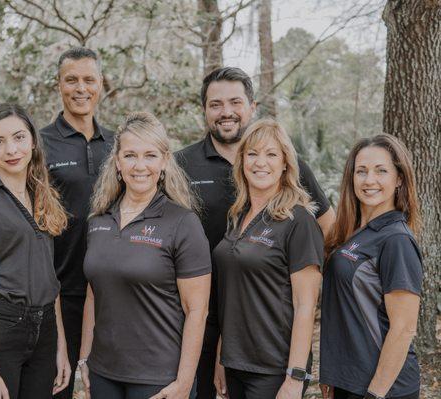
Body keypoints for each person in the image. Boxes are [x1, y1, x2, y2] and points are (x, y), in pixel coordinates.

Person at [175, 66, 334, 399]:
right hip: (212, 332)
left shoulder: (298, 216)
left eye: (235, 102)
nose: (226, 111)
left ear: (251, 105)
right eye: (215, 104)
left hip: (271, 342)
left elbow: (327, 233)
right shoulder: (234, 211)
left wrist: (297, 373)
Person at [78, 112, 211, 399]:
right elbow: (93, 294)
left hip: (159, 379)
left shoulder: (182, 223)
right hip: (104, 374)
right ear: (117, 161)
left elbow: (197, 311)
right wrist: (84, 359)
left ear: (164, 162)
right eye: (130, 155)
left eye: (150, 155)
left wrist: (184, 383)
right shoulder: (98, 220)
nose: (140, 166)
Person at [0, 104, 70, 399]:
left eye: (19, 137)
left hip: (45, 331)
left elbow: (51, 279)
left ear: (33, 141)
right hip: (2, 330)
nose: (11, 149)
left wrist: (60, 345)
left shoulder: (44, 198)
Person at [212, 119, 323, 399]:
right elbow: (233, 291)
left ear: (286, 163)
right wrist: (221, 358)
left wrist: (295, 377)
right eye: (252, 153)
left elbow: (305, 305)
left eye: (271, 154)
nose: (260, 162)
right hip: (235, 362)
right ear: (241, 161)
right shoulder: (237, 216)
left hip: (273, 368)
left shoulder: (299, 221)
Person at [320, 134, 423, 399]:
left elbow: (404, 328)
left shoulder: (396, 239)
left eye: (381, 171)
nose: (369, 181)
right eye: (361, 171)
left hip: (383, 389)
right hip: (349, 381)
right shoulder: (354, 233)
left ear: (399, 178)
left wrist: (375, 394)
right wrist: (332, 375)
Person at [40, 47, 115, 399]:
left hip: (114, 292)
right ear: (58, 85)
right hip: (59, 292)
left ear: (101, 85)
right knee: (58, 387)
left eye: (89, 80)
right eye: (71, 80)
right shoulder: (38, 145)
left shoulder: (118, 145)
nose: (80, 88)